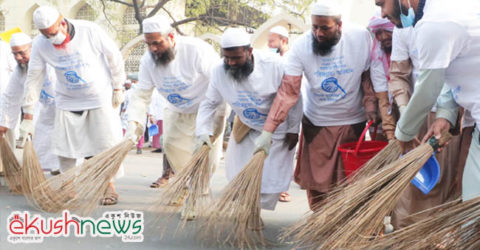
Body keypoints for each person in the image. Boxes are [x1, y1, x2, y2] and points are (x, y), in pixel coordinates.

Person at [254, 0, 378, 210]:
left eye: (325, 28)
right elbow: (288, 92)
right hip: (316, 123)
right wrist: (268, 131)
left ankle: (342, 225)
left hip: (351, 123)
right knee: (318, 185)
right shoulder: (301, 46)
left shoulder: (360, 38)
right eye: (315, 27)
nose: (318, 33)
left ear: (339, 25)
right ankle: (321, 223)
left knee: (346, 183)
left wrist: (372, 106)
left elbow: (368, 77)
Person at [375, 0, 480, 204]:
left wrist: (403, 134)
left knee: (472, 211)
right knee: (472, 207)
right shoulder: (451, 8)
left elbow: (429, 86)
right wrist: (445, 115)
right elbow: (451, 73)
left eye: (382, 3)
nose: (382, 13)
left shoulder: (435, 22)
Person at [20, 6, 126, 205]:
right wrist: (27, 114)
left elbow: (114, 57)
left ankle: (108, 186)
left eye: (52, 34)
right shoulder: (40, 44)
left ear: (62, 22)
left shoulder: (89, 31)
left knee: (105, 144)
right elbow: (34, 76)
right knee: (64, 148)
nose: (51, 39)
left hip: (99, 98)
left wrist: (118, 86)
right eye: (45, 35)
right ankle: (68, 188)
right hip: (67, 100)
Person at [196, 28, 302, 228]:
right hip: (245, 125)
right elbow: (209, 103)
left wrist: (293, 129)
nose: (231, 63)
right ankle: (250, 211)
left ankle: (255, 209)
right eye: (227, 58)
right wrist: (202, 131)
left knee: (269, 176)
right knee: (240, 171)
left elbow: (294, 98)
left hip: (277, 127)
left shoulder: (275, 66)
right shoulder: (220, 71)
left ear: (249, 51)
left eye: (236, 58)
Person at [125, 16, 226, 219]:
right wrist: (134, 122)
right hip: (176, 110)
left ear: (171, 37)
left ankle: (196, 196)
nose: (152, 49)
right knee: (170, 145)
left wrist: (216, 123)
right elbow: (141, 94)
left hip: (206, 110)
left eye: (157, 43)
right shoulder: (147, 61)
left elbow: (219, 84)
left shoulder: (196, 50)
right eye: (148, 44)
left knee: (206, 156)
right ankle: (185, 183)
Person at [368, 14, 396, 140]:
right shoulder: (377, 56)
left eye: (388, 31)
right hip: (390, 109)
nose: (383, 37)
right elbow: (382, 96)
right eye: (378, 33)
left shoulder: (410, 50)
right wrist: (390, 133)